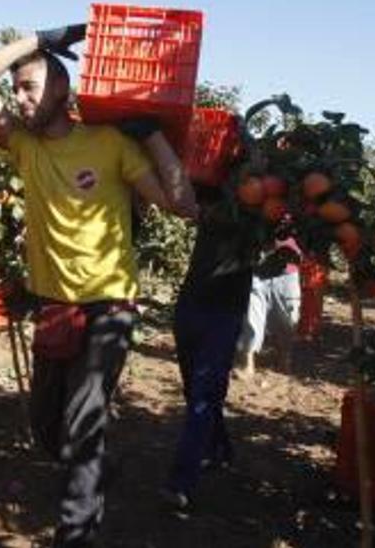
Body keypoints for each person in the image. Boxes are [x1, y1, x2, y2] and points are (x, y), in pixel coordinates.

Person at [0, 24, 196, 546]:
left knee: (83, 419)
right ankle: (96, 462)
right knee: (47, 425)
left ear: (62, 91)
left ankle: (77, 531)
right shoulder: (23, 146)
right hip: (55, 305)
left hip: (110, 304)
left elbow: (183, 206)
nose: (18, 99)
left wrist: (151, 134)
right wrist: (38, 41)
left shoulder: (109, 143)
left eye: (29, 87)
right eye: (15, 90)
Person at [165, 185, 260, 514]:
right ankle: (220, 448)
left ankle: (181, 483)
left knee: (203, 394)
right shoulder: (212, 192)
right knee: (197, 390)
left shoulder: (263, 212)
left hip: (225, 312)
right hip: (190, 305)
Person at [236, 223, 303, 379]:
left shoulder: (300, 203)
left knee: (288, 317)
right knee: (251, 312)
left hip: (287, 269)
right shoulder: (252, 200)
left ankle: (284, 357)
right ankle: (248, 362)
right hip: (254, 265)